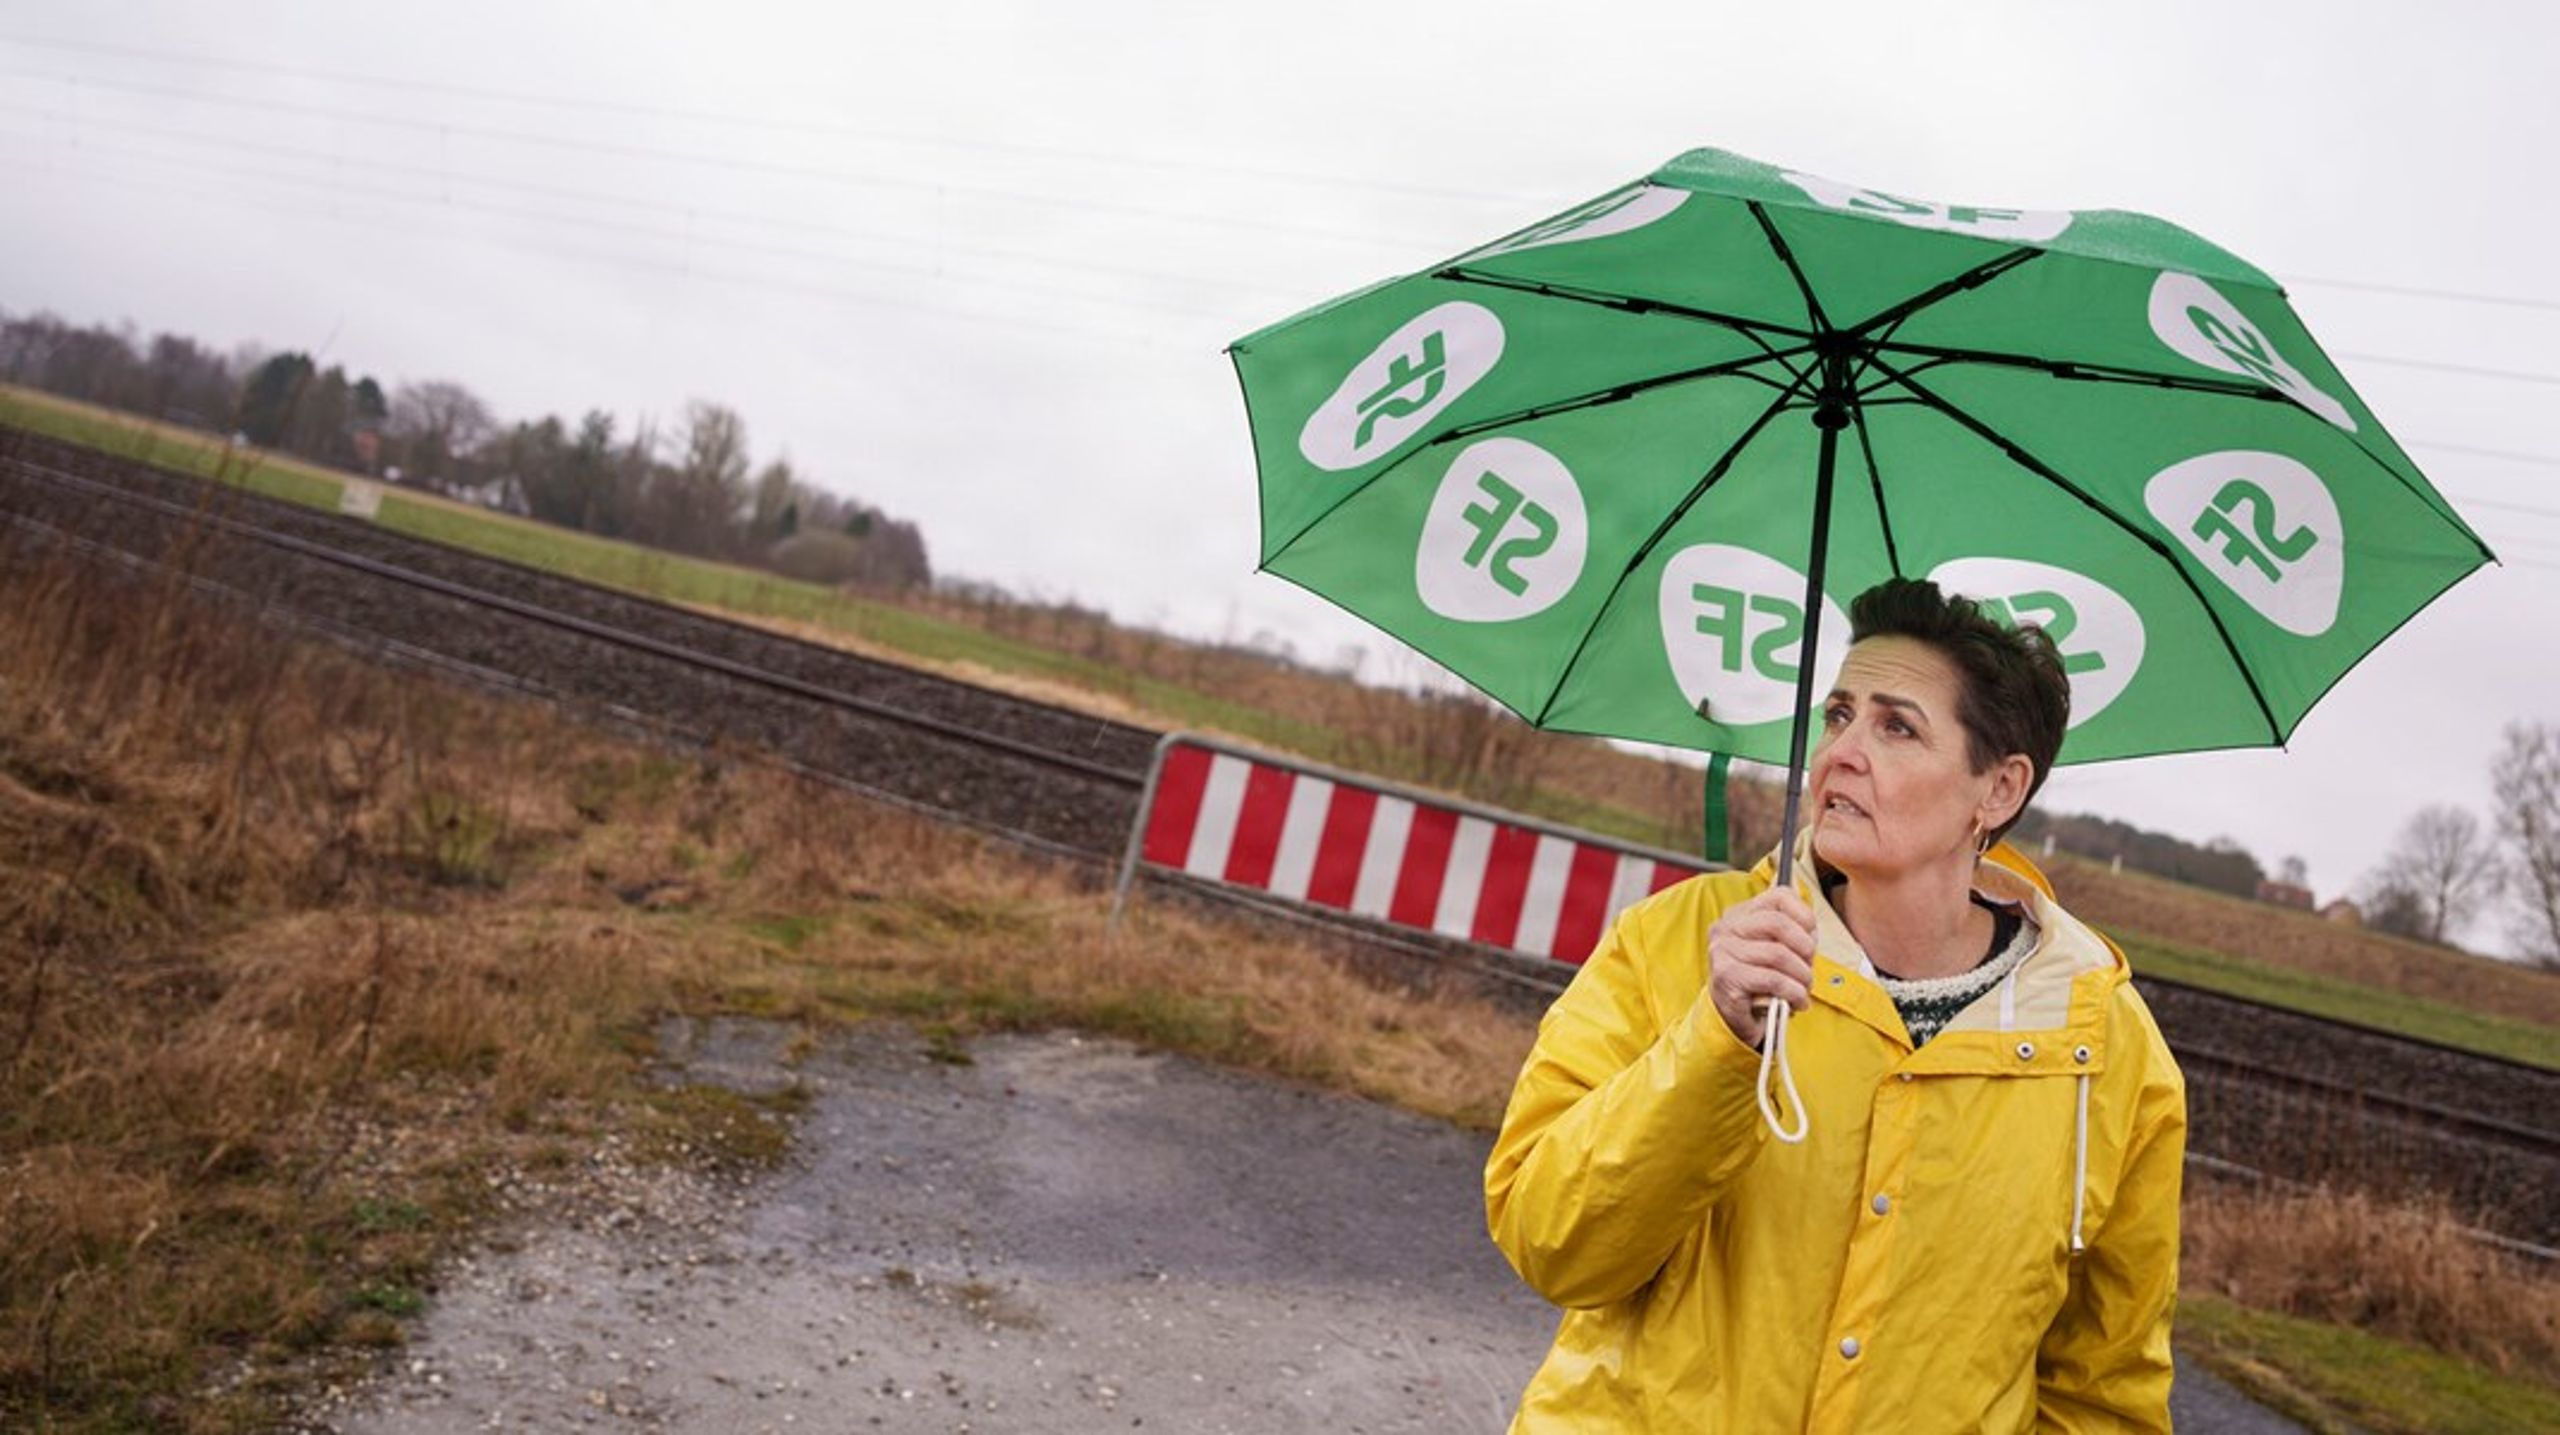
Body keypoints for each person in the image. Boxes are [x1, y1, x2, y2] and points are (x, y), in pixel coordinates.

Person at [1485, 577, 2186, 1433]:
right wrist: (1716, 1040)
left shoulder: (2105, 1048)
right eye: (1839, 715)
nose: (1841, 753)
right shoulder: (1677, 943)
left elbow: (2103, 1393)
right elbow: (1551, 1243)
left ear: (1998, 790)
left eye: (1897, 726)